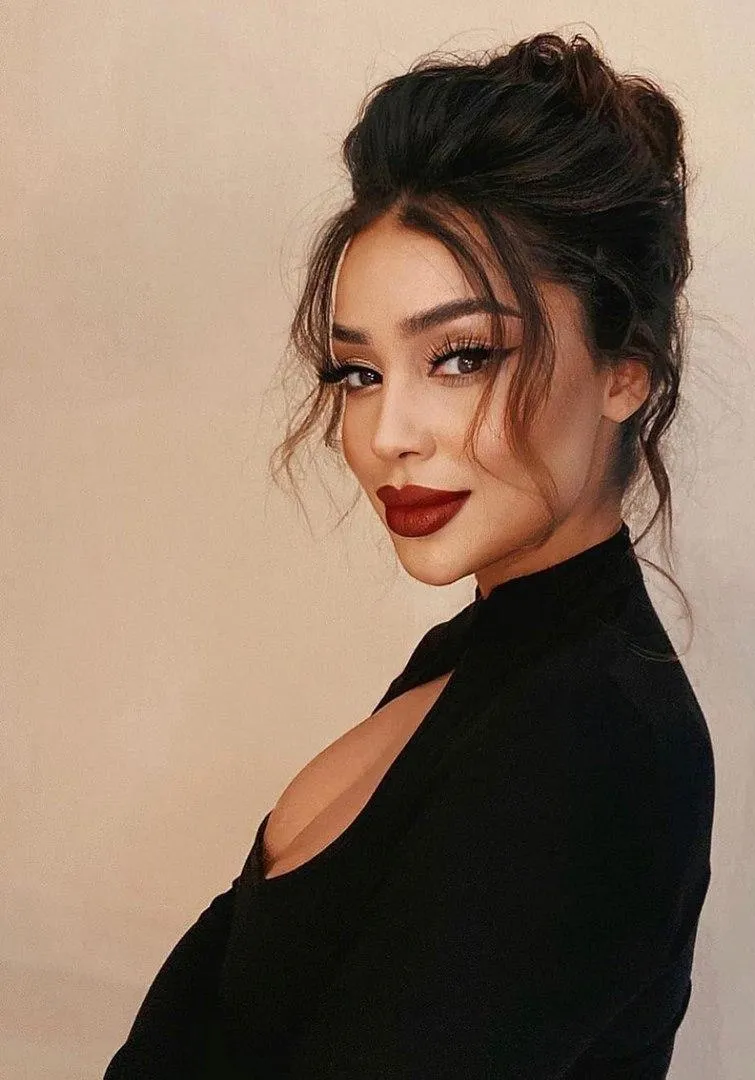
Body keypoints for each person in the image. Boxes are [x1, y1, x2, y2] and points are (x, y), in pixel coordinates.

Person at [104, 30, 715, 1079]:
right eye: (359, 372)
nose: (387, 433)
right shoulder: (485, 657)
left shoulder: (595, 742)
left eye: (461, 357)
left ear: (625, 372)